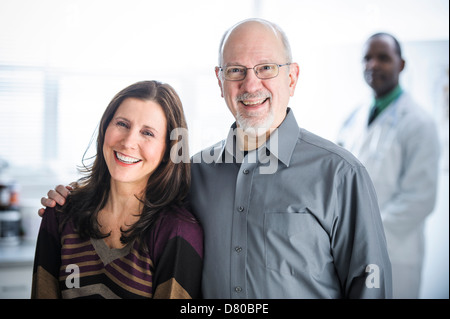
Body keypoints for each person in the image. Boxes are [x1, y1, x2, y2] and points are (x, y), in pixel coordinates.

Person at [39, 19, 392, 299]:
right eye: (235, 70)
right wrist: (71, 197)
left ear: (292, 76)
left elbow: (370, 285)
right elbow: (130, 195)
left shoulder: (340, 174)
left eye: (266, 68)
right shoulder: (191, 172)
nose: (250, 85)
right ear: (220, 81)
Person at [32, 80, 203, 299]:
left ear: (168, 149)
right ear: (105, 128)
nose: (129, 141)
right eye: (122, 124)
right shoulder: (60, 212)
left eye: (148, 133)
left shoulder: (177, 233)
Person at [337, 33, 441, 299]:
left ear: (401, 64)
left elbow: (419, 199)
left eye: (383, 58)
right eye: (367, 58)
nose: (373, 65)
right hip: (351, 250)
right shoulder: (353, 118)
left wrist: (366, 236)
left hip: (396, 253)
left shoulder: (419, 123)